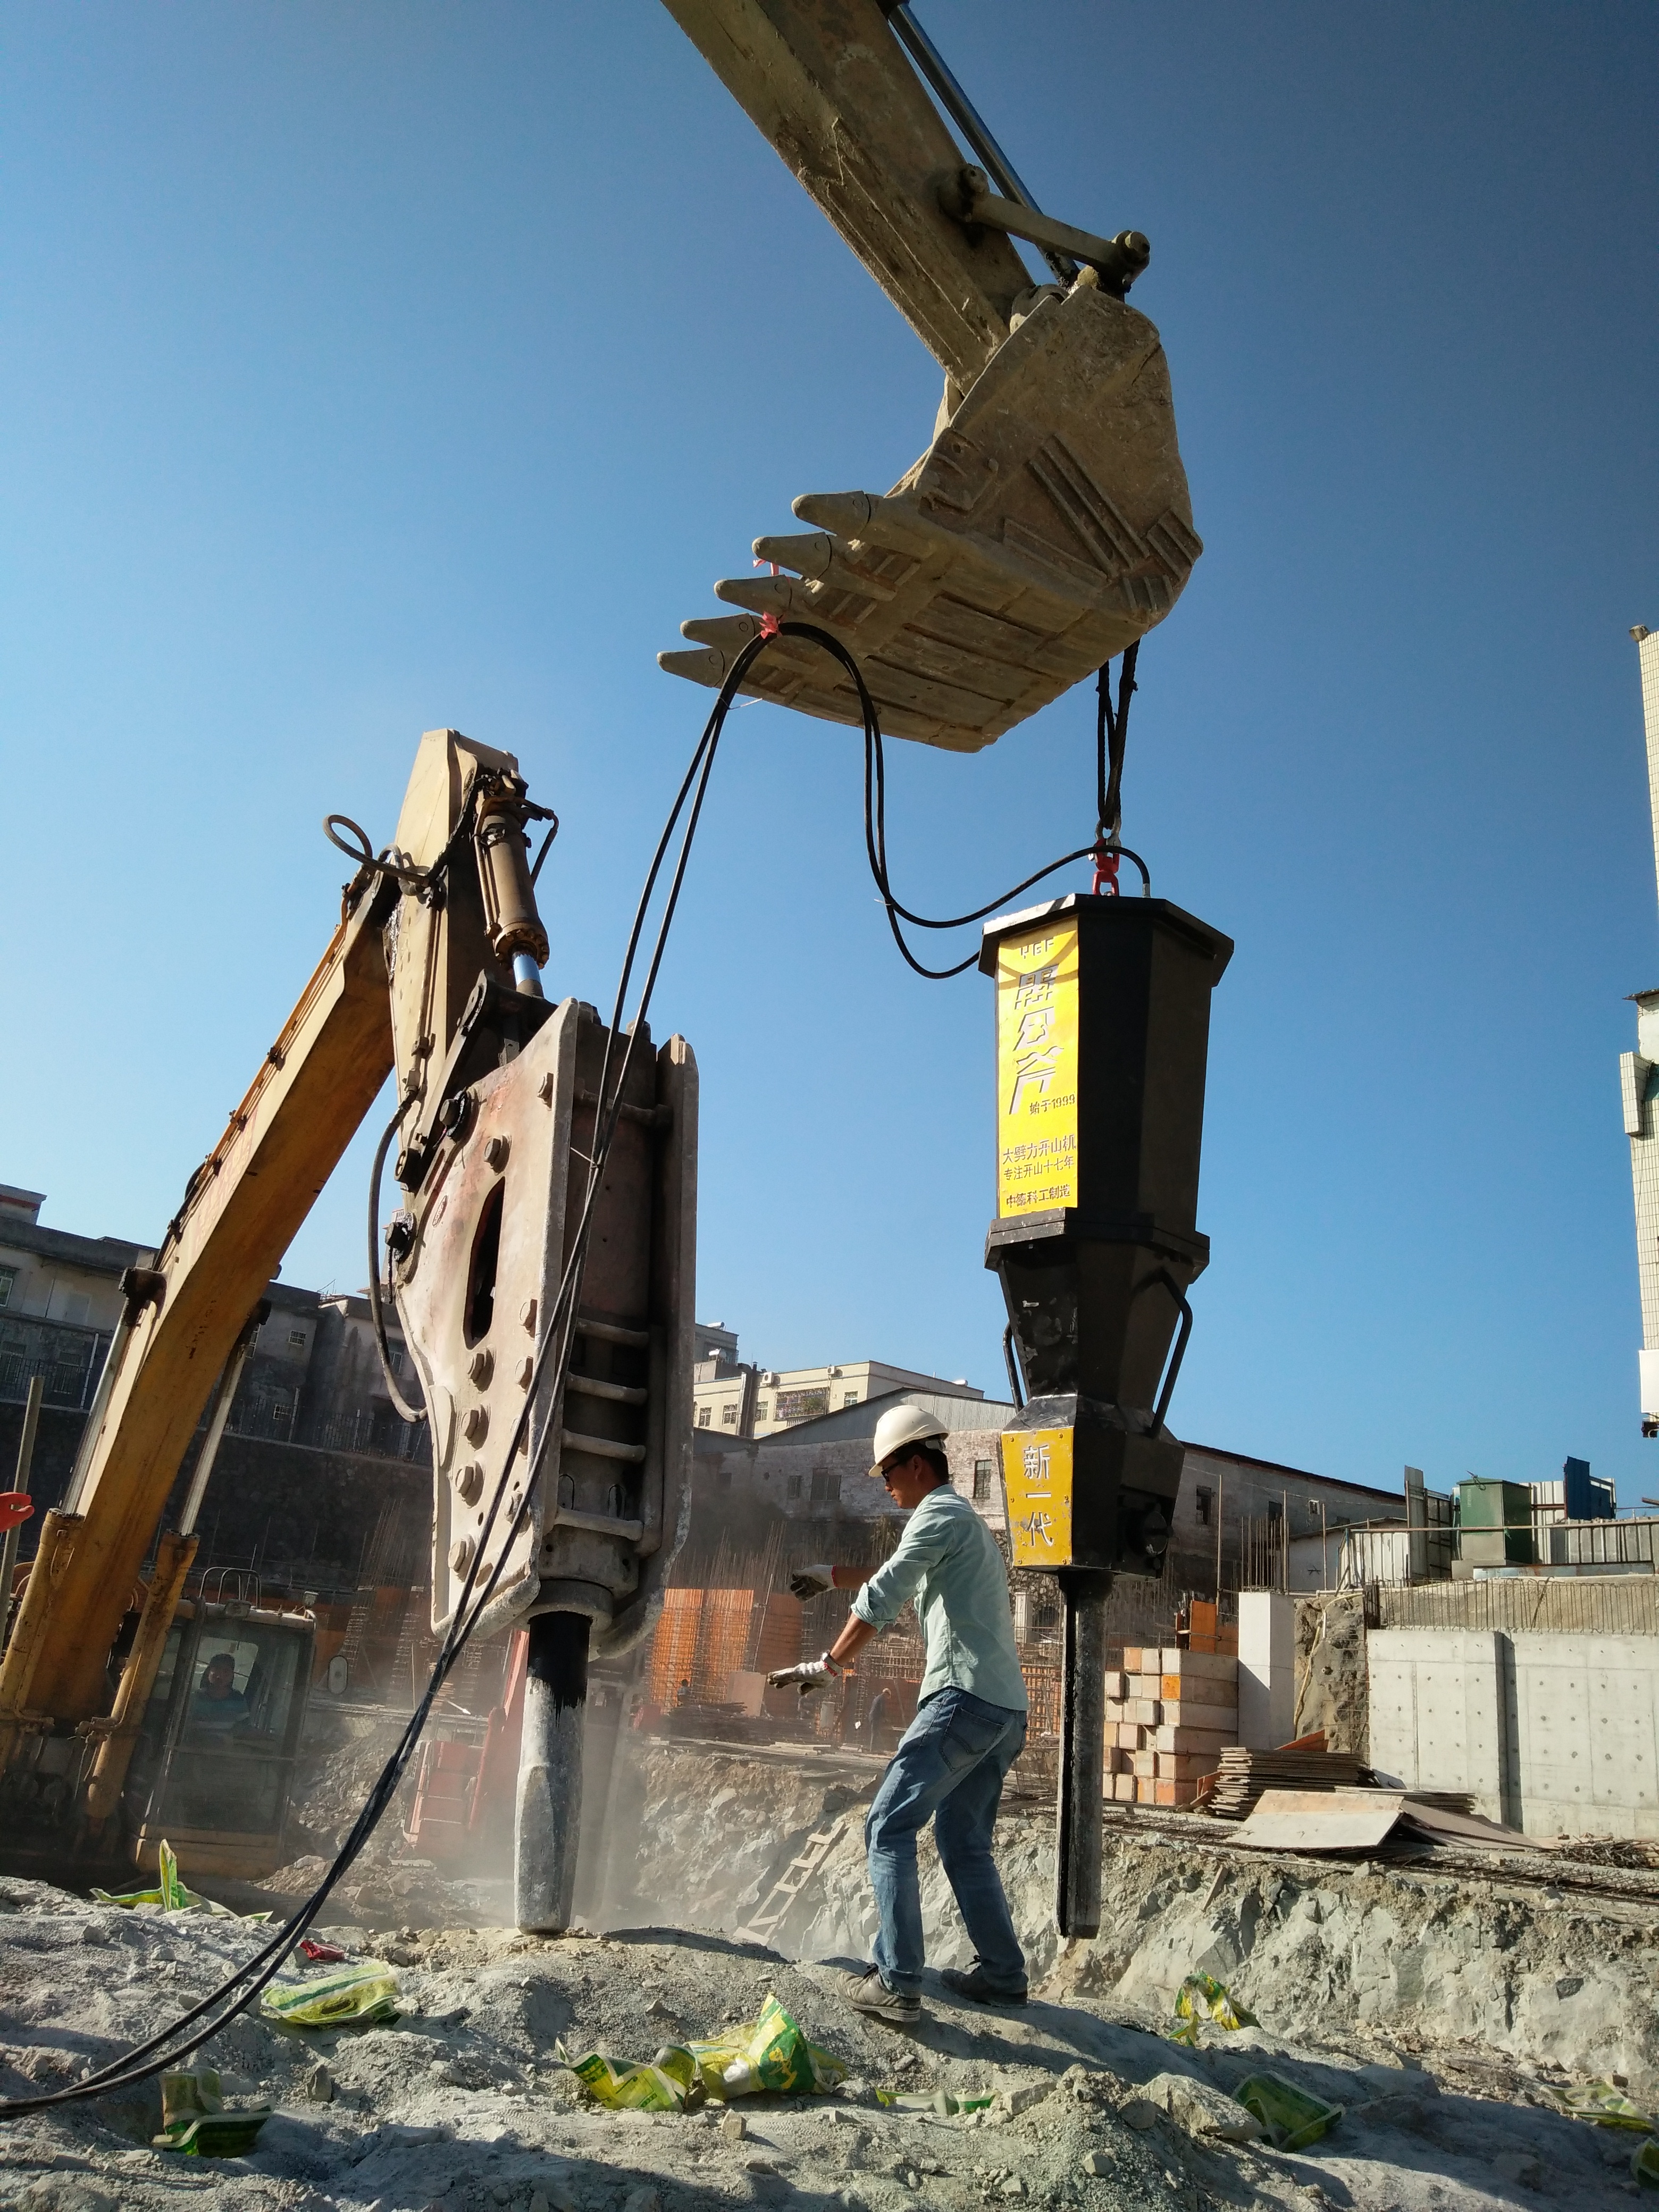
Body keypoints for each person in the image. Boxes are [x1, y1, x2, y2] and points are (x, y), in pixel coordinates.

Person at [768, 1404, 1028, 2024]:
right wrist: (831, 1576)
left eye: (887, 1472)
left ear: (916, 1463)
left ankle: (898, 1980)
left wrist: (826, 1666)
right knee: (963, 1839)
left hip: (961, 1699)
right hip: (1004, 1712)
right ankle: (1003, 1975)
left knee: (887, 1824)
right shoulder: (963, 1524)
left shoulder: (936, 1512)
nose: (884, 1484)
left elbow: (885, 1596)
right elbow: (900, 1576)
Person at [189, 1649, 250, 1734]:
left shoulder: (238, 1699)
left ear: (232, 1675)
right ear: (208, 1672)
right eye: (216, 1669)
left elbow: (243, 1728)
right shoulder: (196, 1697)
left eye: (226, 1671)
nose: (220, 1676)